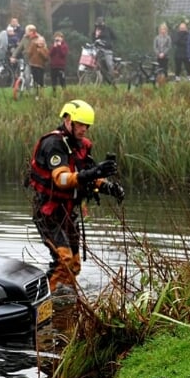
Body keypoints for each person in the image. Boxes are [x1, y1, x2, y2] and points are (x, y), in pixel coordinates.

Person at [27, 100, 124, 293]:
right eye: (80, 124)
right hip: (49, 212)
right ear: (68, 120)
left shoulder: (81, 146)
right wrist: (92, 173)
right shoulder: (53, 144)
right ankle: (42, 301)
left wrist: (109, 187)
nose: (84, 129)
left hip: (68, 213)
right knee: (64, 260)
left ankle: (65, 306)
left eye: (86, 126)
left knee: (75, 265)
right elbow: (61, 179)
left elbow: (87, 174)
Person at [92, 17, 117, 85]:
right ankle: (100, 79)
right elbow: (93, 39)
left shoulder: (108, 29)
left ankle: (113, 78)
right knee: (96, 63)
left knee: (109, 64)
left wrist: (108, 42)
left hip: (107, 49)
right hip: (98, 49)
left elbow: (114, 37)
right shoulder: (96, 30)